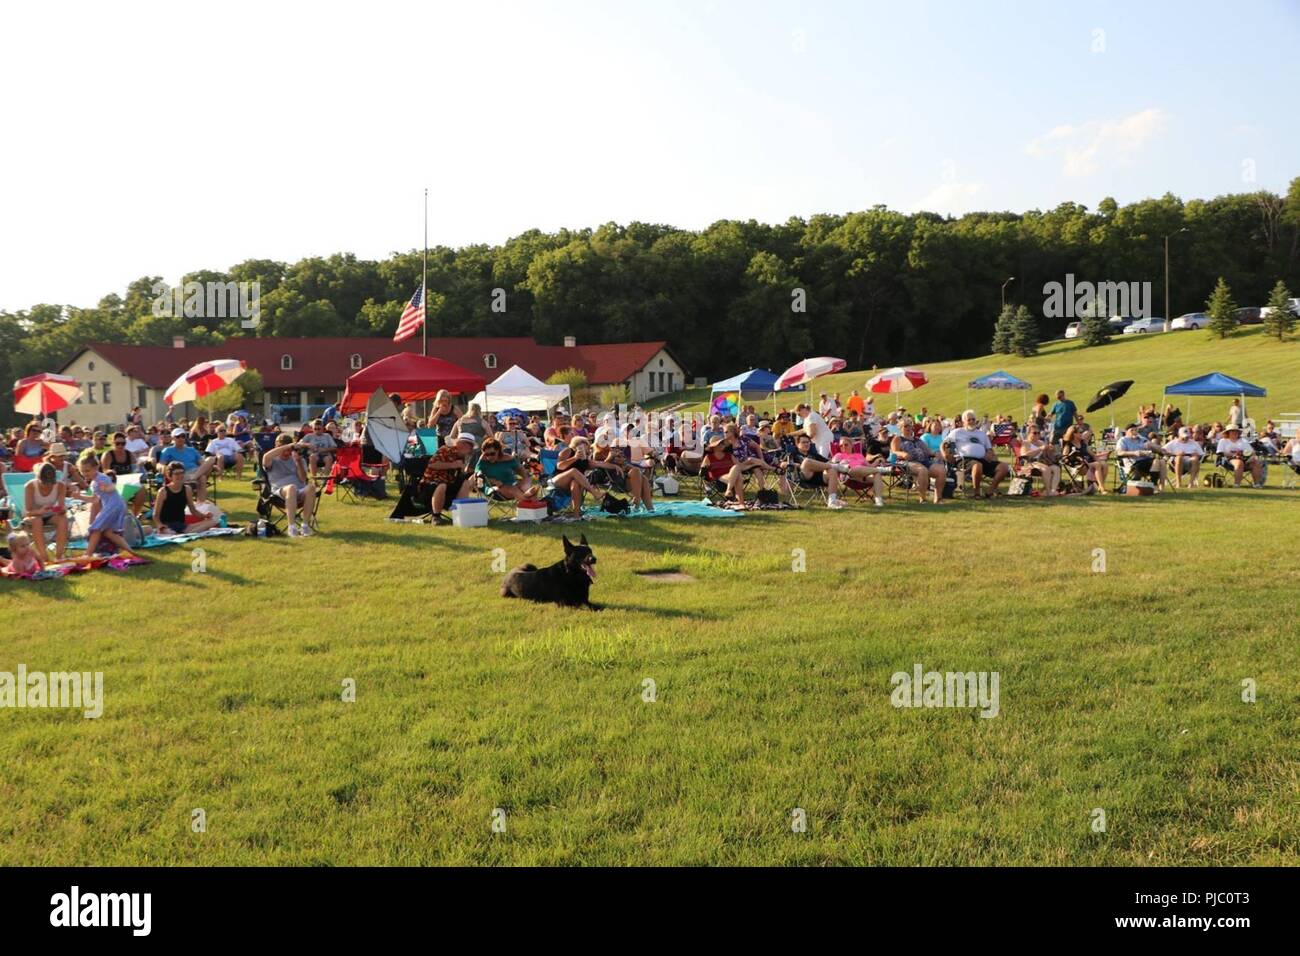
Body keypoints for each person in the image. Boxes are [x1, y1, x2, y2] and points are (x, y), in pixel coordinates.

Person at [76, 453, 134, 556]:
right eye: (82, 471)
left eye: (87, 470)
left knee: (96, 529)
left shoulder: (100, 478)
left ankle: (88, 554)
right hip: (116, 505)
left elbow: (112, 487)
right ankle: (130, 551)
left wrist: (106, 488)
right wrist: (79, 496)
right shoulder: (94, 482)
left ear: (96, 467)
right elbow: (95, 500)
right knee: (109, 532)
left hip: (113, 506)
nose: (85, 474)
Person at [262, 434, 316, 536]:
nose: (287, 453)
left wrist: (298, 462)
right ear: (277, 447)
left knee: (311, 487)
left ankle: (305, 526)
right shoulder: (271, 459)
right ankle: (292, 528)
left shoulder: (297, 458)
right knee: (291, 488)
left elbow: (303, 479)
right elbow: (266, 456)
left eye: (289, 450)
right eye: (284, 449)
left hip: (299, 490)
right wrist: (290, 446)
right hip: (280, 491)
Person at [949, 410, 1009, 496]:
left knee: (1004, 467)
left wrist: (989, 453)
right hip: (964, 460)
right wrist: (946, 455)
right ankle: (976, 492)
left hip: (982, 459)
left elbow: (989, 448)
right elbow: (945, 444)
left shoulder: (981, 434)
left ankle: (990, 491)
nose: (972, 422)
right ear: (963, 421)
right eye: (969, 420)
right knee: (977, 465)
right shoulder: (957, 432)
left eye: (973, 419)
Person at [890, 418, 948, 504]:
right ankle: (923, 498)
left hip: (924, 461)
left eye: (910, 425)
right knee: (922, 470)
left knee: (941, 471)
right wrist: (902, 454)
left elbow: (928, 451)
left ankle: (938, 498)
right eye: (906, 426)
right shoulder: (898, 439)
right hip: (908, 462)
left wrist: (936, 453)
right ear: (900, 428)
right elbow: (894, 451)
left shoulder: (917, 439)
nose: (908, 427)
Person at [153, 462, 218, 534]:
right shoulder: (163, 491)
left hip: (182, 525)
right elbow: (156, 515)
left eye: (182, 473)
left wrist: (205, 516)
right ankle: (187, 533)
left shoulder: (187, 489)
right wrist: (160, 526)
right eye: (176, 474)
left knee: (212, 521)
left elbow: (193, 510)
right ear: (170, 476)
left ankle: (186, 533)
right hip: (167, 525)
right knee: (171, 532)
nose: (180, 476)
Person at [22, 462, 70, 562]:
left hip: (50, 515)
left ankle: (59, 556)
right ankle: (44, 557)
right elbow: (28, 511)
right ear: (38, 478)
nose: (47, 486)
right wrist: (40, 511)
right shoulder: (30, 486)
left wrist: (61, 509)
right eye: (44, 483)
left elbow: (62, 507)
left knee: (63, 519)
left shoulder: (60, 486)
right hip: (34, 515)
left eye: (50, 483)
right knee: (37, 520)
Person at [552, 436, 606, 517]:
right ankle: (594, 492)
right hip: (557, 480)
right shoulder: (568, 451)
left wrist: (615, 466)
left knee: (575, 483)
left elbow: (599, 464)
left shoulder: (584, 459)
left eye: (587, 446)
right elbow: (559, 466)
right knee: (574, 471)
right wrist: (574, 458)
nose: (586, 448)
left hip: (571, 484)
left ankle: (576, 515)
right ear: (576, 445)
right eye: (583, 445)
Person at [474, 437, 538, 502]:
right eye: (486, 454)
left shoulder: (508, 458)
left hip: (513, 484)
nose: (489, 457)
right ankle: (530, 501)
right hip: (494, 489)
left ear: (498, 451)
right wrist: (492, 480)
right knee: (513, 489)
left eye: (492, 454)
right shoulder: (483, 460)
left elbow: (520, 469)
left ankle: (527, 499)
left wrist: (525, 478)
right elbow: (477, 475)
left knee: (528, 483)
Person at [159, 428, 215, 500]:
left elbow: (202, 463)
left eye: (183, 436)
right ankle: (201, 504)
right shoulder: (168, 450)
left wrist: (213, 466)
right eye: (178, 436)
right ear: (173, 438)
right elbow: (161, 464)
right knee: (202, 478)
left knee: (211, 459)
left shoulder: (191, 449)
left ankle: (193, 478)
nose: (181, 438)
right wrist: (162, 468)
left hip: (196, 472)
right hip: (181, 473)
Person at [830, 436, 886, 507]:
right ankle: (882, 470)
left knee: (877, 474)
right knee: (858, 467)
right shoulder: (838, 455)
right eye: (841, 446)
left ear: (851, 445)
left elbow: (870, 467)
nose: (843, 447)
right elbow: (833, 465)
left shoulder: (859, 455)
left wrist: (878, 460)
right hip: (848, 475)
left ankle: (878, 502)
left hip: (862, 476)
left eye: (846, 444)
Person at [1115, 423, 1169, 491]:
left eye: (1136, 430)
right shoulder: (1123, 440)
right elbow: (1119, 452)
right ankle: (1154, 485)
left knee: (1162, 461)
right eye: (1132, 430)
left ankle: (1161, 486)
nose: (1134, 432)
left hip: (1147, 461)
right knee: (1156, 461)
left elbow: (1154, 447)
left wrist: (1157, 448)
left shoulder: (1142, 439)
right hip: (1134, 463)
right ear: (1126, 432)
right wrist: (1135, 453)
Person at [1017, 425, 1062, 496]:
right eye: (1034, 433)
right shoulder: (1026, 443)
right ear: (1028, 433)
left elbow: (1048, 454)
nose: (1037, 434)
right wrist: (1040, 449)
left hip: (1042, 461)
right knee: (1046, 469)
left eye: (1038, 433)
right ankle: (1048, 491)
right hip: (1030, 463)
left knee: (1056, 468)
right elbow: (1024, 455)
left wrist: (1051, 449)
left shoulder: (1041, 442)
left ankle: (1053, 490)